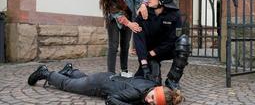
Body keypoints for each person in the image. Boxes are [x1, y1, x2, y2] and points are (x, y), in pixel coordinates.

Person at [27, 63, 184, 105]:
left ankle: (70, 70)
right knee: (68, 85)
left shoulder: (151, 84)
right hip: (99, 84)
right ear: (154, 91)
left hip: (108, 77)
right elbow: (111, 100)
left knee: (80, 80)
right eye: (152, 97)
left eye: (153, 103)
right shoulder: (137, 93)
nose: (149, 100)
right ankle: (45, 72)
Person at [133, 0, 190, 90]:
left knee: (183, 41)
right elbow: (139, 39)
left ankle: (172, 80)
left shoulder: (175, 15)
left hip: (165, 50)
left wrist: (155, 52)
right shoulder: (143, 13)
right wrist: (144, 64)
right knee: (154, 84)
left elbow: (173, 39)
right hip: (149, 53)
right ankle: (152, 69)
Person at [99, 0, 149, 76]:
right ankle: (110, 74)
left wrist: (143, 4)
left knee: (125, 44)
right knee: (113, 45)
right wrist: (129, 24)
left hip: (129, 16)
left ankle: (124, 71)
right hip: (113, 18)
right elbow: (115, 12)